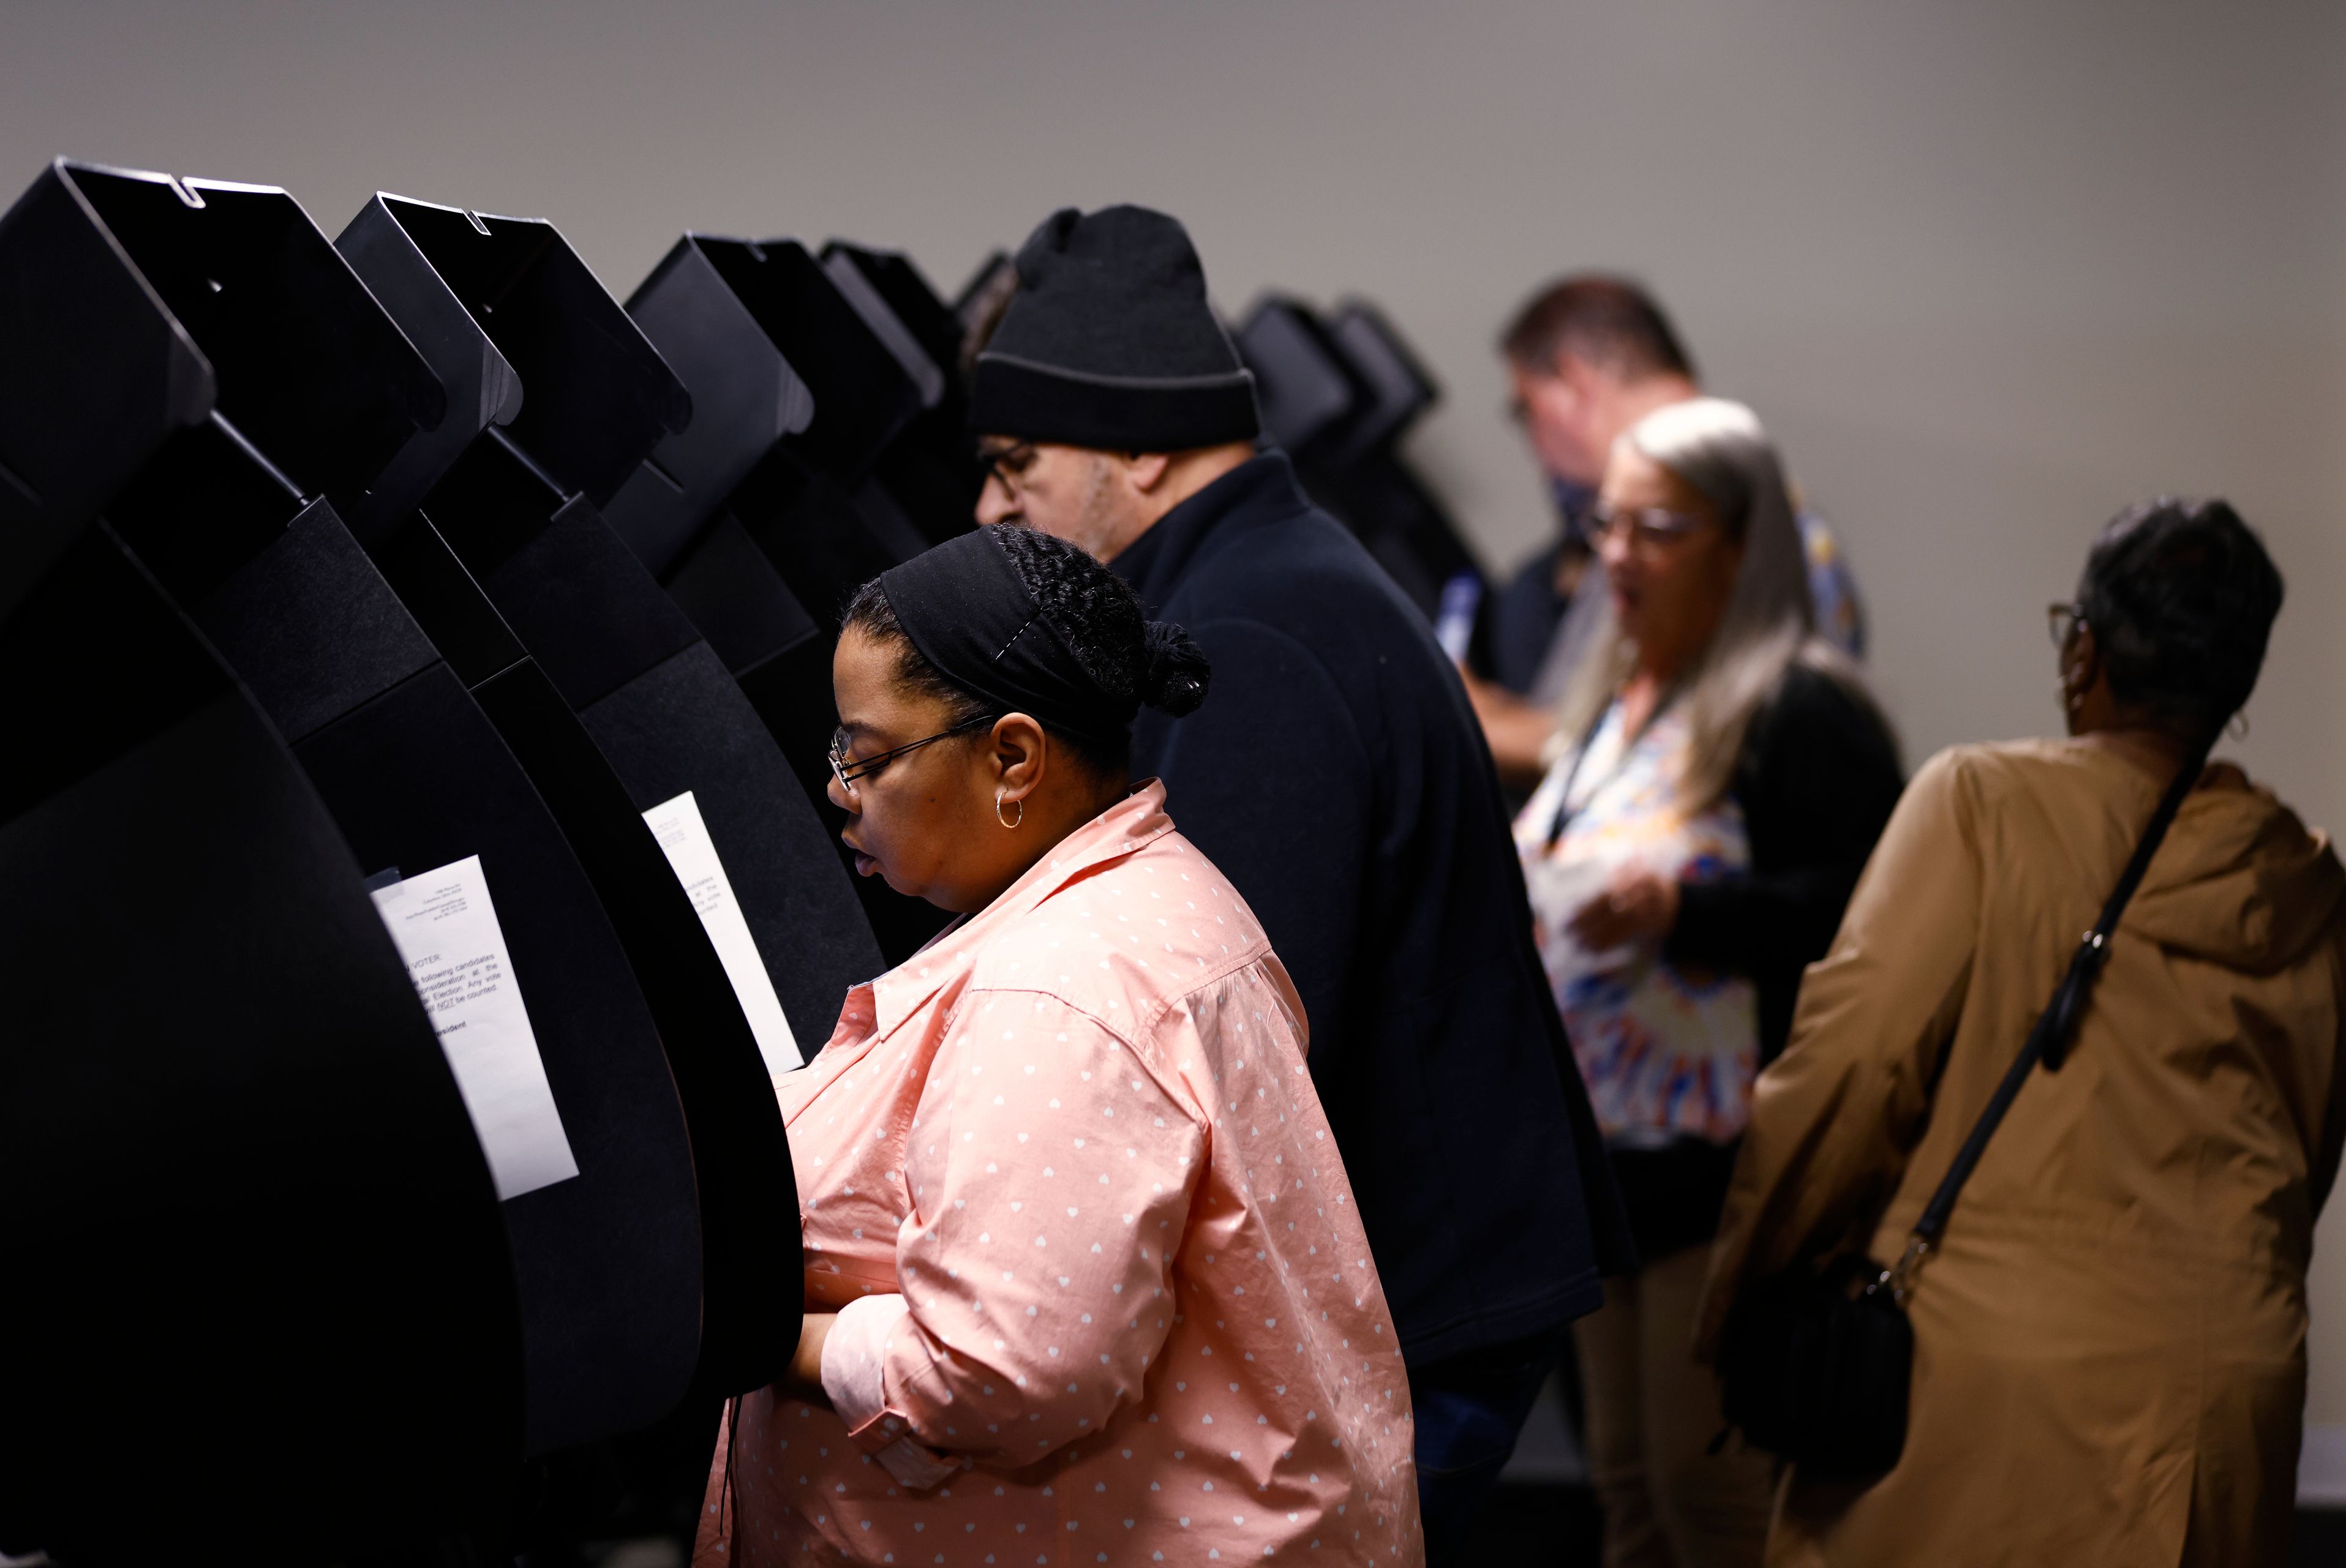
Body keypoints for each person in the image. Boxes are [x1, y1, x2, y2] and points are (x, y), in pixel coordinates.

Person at [965, 203, 1631, 1558]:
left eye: (1017, 464)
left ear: (1140, 445)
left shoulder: (1247, 633)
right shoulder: (1265, 576)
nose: (991, 507)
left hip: (1419, 1306)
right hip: (1436, 1270)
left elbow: (1225, 1029)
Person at [695, 524, 1423, 1566]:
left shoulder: (1061, 988)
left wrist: (773, 1337)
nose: (839, 791)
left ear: (1014, 756)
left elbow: (1003, 1367)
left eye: (867, 756)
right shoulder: (1142, 895)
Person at [1697, 498, 2344, 1566]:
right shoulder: (2308, 884)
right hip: (2226, 1392)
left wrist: (1748, 1292)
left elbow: (1851, 1069)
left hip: (1982, 1375)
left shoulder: (1983, 804)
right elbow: (2306, 1156)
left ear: (2083, 648)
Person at [1515, 398, 1901, 1567]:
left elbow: (1872, 924)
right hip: (1606, 1175)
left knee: (1708, 1496)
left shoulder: (1801, 708)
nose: (1614, 557)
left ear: (1740, 544)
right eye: (1606, 525)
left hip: (1726, 1179)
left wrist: (1694, 909)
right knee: (1628, 1493)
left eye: (1655, 529)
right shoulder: (1609, 712)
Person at [1467, 276, 1866, 792]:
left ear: (1575, 381)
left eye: (1527, 410)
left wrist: (1457, 722)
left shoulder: (1753, 534)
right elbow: (1600, 720)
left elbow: (1659, 751)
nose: (1534, 446)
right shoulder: (1647, 528)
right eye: (1610, 526)